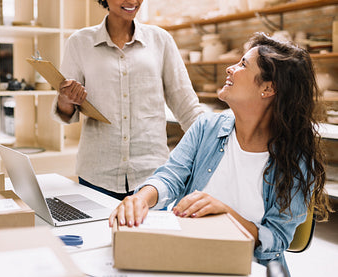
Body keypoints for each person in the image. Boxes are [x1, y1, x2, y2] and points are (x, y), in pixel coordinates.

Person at [108, 32, 332, 273]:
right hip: (188, 256)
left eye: (243, 64)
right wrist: (141, 198)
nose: (230, 68)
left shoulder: (295, 157)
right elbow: (170, 176)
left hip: (249, 266)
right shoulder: (206, 127)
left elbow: (276, 239)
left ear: (268, 88)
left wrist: (227, 214)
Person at [53, 0, 204, 200]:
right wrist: (66, 100)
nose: (132, 0)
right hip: (96, 174)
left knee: (150, 240)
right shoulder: (79, 43)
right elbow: (65, 113)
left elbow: (185, 103)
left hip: (153, 176)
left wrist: (216, 143)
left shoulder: (161, 40)